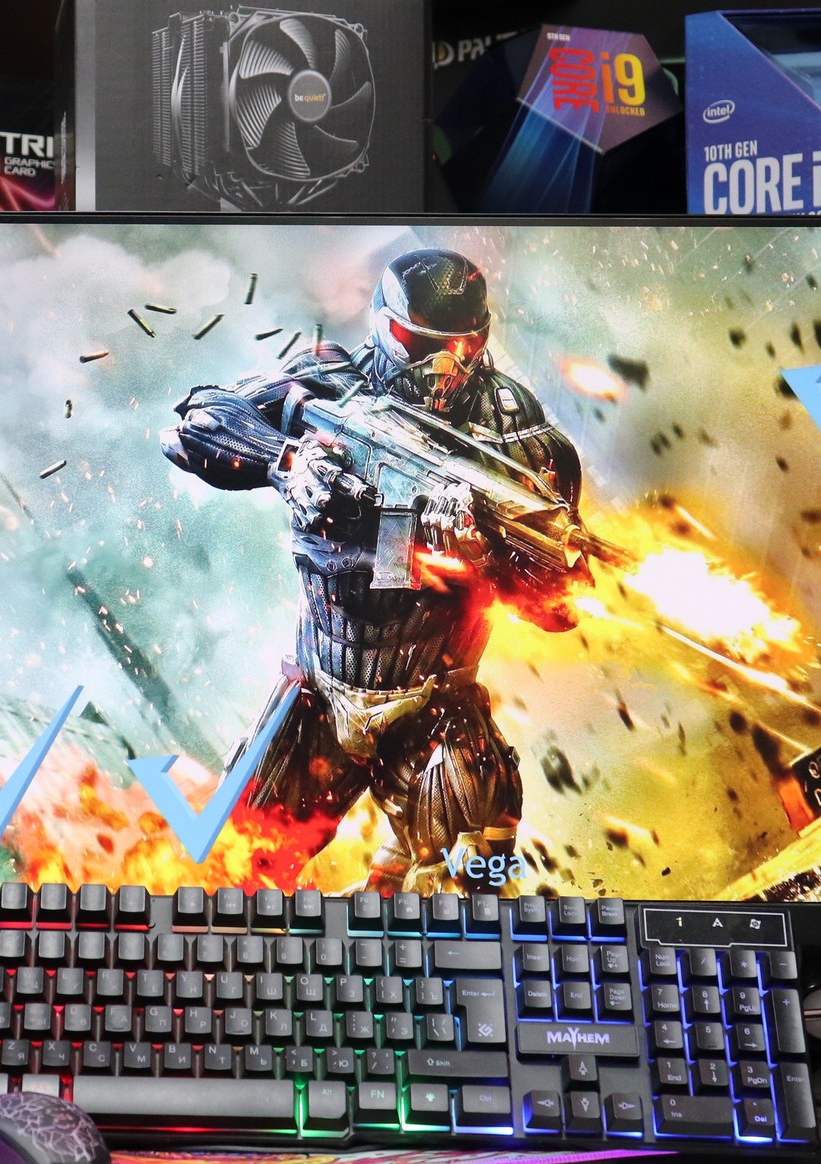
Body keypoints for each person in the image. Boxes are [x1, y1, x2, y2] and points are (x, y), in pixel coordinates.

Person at [162, 248, 593, 891]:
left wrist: (484, 556)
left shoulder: (518, 441)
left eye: (462, 346)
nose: (443, 366)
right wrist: (287, 462)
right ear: (384, 325)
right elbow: (191, 426)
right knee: (233, 880)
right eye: (418, 344)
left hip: (433, 709)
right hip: (317, 694)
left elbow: (561, 608)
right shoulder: (331, 385)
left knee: (475, 883)